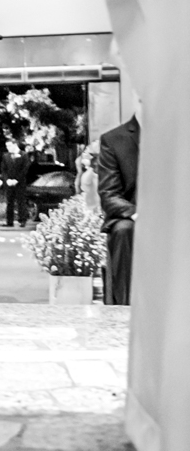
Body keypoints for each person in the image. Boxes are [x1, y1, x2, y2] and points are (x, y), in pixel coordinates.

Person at [99, 108, 140, 305]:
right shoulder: (113, 139)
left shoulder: (177, 136)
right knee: (124, 230)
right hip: (131, 216)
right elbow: (109, 195)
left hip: (172, 213)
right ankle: (125, 307)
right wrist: (137, 213)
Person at [0, 139, 30, 227]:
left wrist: (17, 180)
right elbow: (3, 169)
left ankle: (22, 220)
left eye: (9, 146)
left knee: (21, 201)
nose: (8, 148)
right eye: (7, 146)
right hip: (9, 182)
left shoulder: (23, 155)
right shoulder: (5, 156)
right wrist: (7, 180)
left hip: (20, 182)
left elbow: (25, 169)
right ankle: (9, 221)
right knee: (9, 201)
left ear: (15, 145)